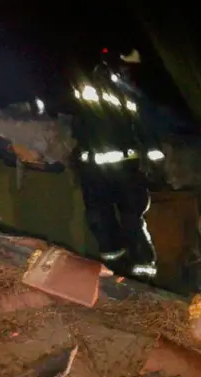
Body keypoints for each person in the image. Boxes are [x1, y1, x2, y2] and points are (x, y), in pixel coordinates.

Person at [69, 48, 158, 279]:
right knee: (100, 220)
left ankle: (143, 271)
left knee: (130, 219)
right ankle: (115, 269)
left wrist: (154, 160)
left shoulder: (129, 95)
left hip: (124, 170)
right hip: (96, 170)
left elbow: (146, 129)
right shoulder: (87, 88)